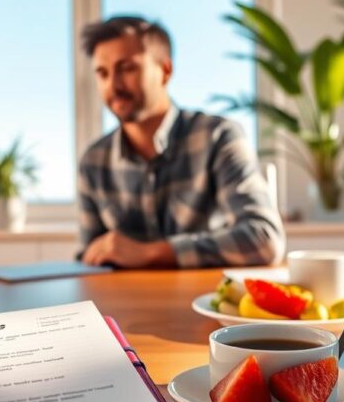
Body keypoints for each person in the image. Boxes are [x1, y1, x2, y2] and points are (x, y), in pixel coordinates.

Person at [76, 16, 285, 269]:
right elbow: (90, 260)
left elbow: (264, 240)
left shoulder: (219, 137)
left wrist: (151, 252)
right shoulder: (93, 162)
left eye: (127, 68)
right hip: (121, 306)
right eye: (103, 73)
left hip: (207, 301)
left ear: (165, 70)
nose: (113, 85)